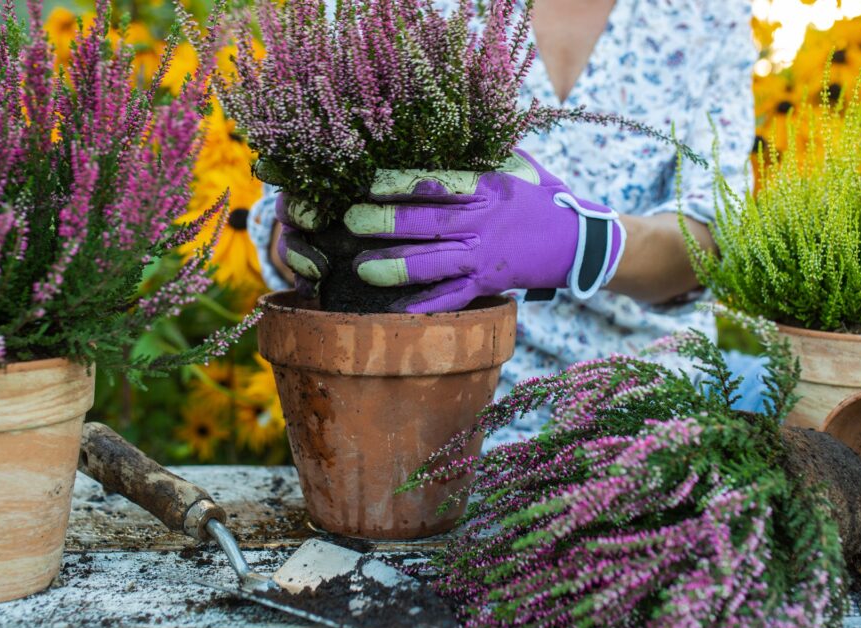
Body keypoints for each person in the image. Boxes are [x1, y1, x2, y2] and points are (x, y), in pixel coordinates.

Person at [249, 0, 766, 441]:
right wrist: (322, 233)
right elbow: (287, 210)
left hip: (651, 398)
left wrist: (582, 242)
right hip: (443, 407)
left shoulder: (704, 14)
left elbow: (709, 241)